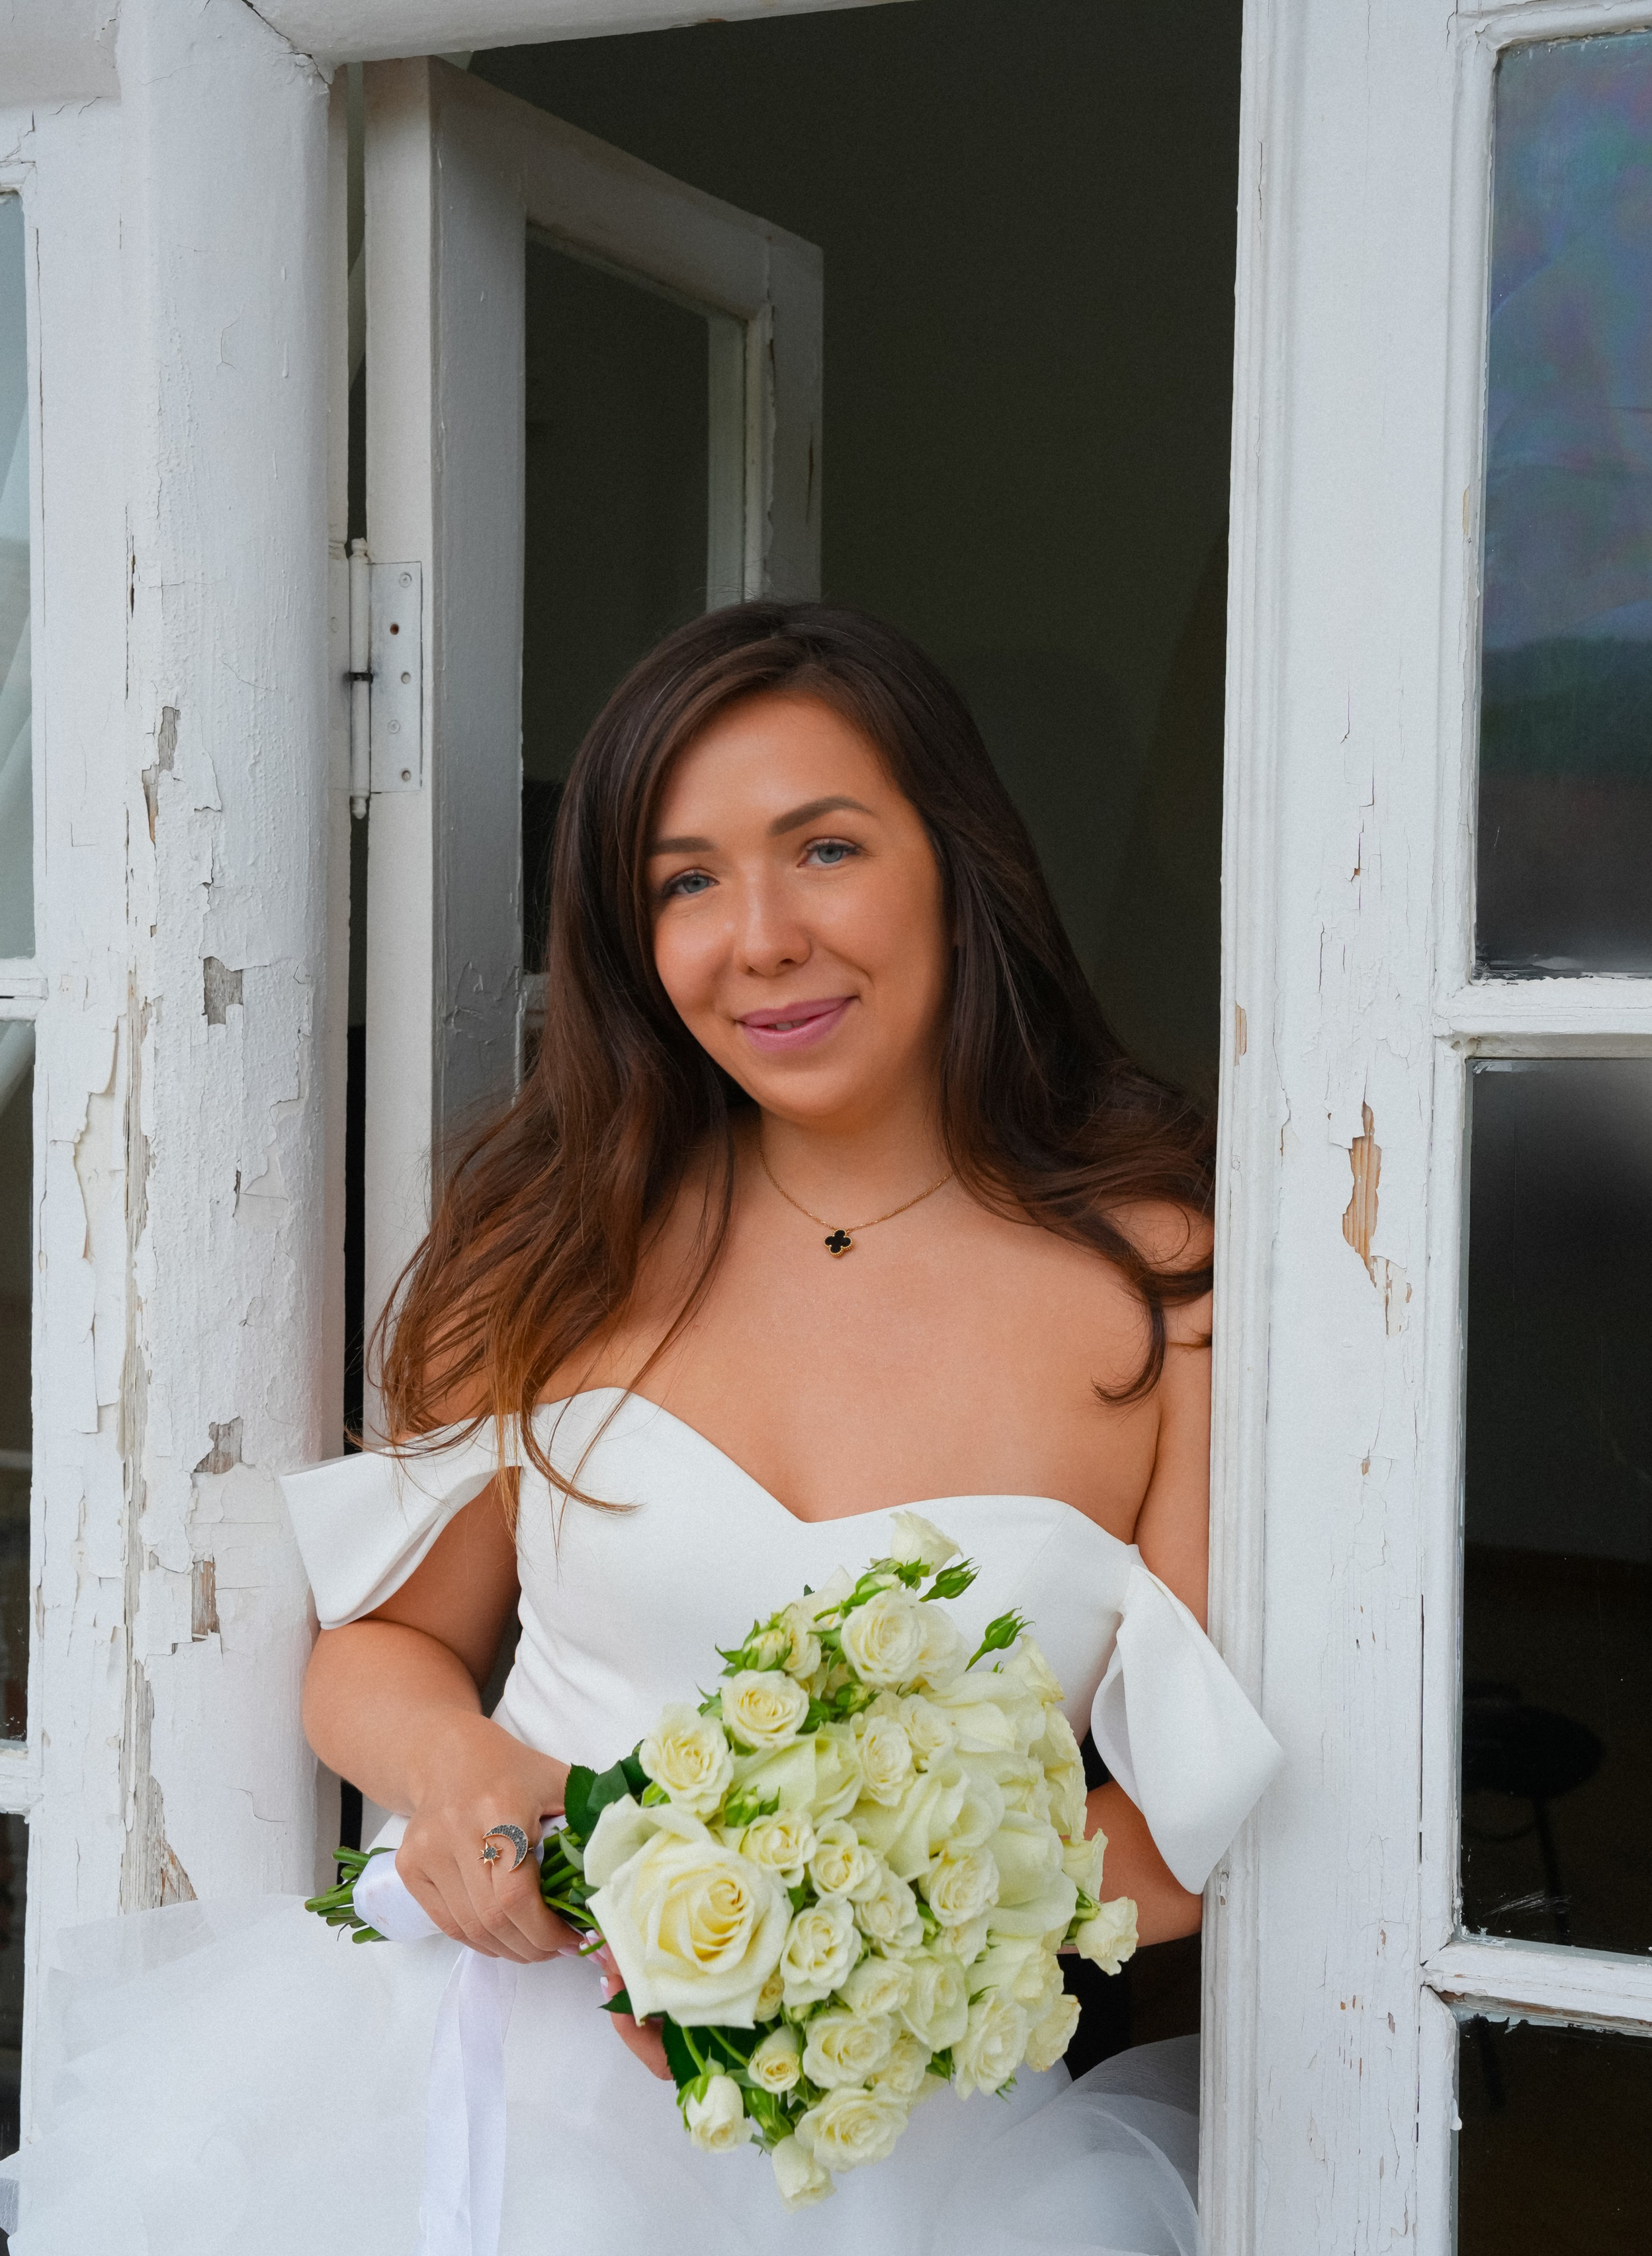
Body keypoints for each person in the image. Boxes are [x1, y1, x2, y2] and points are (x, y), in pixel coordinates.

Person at [15, 603, 1279, 2254]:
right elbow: (382, 1642)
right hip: (463, 2102)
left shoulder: (1166, 1276)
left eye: (822, 848)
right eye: (684, 880)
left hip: (907, 2158)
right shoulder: (553, 1237)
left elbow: (1192, 1820)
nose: (756, 937)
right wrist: (457, 1774)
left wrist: (865, 1952)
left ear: (958, 865)